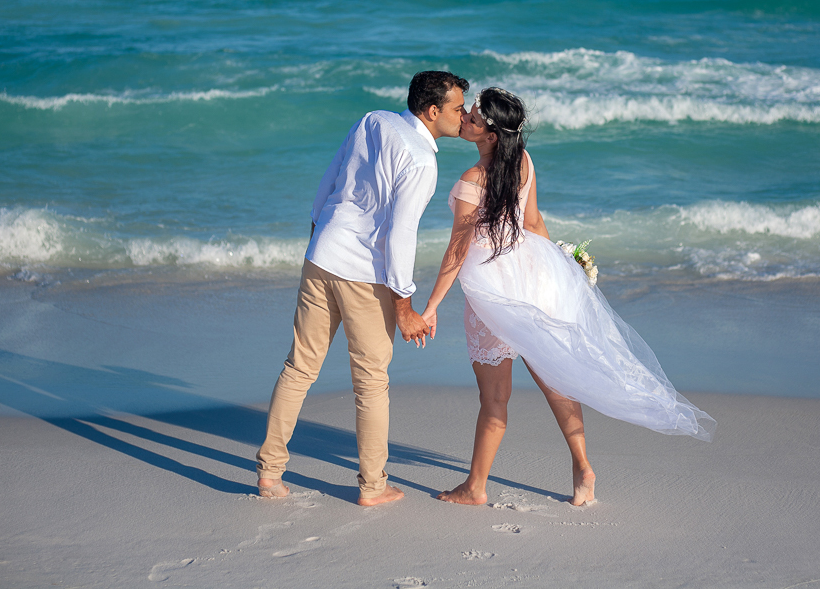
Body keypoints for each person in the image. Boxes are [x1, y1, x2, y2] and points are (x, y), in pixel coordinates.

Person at [421, 87, 714, 507]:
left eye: (474, 118)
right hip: (535, 280)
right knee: (557, 381)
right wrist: (561, 268)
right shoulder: (522, 162)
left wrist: (431, 306)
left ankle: (475, 487)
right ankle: (582, 468)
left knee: (495, 398)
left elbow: (457, 251)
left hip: (494, 294)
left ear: (491, 135)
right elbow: (534, 222)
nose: (465, 117)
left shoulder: (473, 180)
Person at [256, 70, 468, 506]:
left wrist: (318, 235)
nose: (464, 116)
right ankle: (373, 487)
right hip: (363, 274)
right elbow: (401, 235)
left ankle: (269, 473)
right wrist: (404, 305)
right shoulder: (422, 161)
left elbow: (330, 181)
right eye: (458, 108)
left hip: (322, 253)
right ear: (433, 111)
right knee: (371, 383)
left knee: (299, 367)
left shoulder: (373, 120)